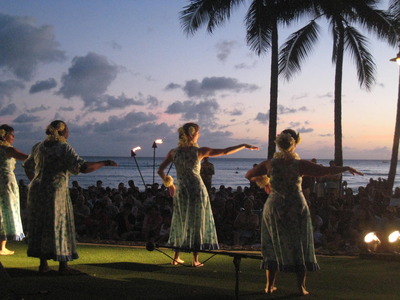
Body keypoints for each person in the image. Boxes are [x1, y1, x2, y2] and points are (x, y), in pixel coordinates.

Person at [245, 129, 363, 296]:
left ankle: (269, 286)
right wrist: (346, 168)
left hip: (275, 205)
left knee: (273, 242)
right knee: (299, 242)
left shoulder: (269, 164)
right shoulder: (299, 164)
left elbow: (248, 175)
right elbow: (324, 171)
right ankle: (300, 287)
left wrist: (265, 182)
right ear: (295, 143)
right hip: (295, 205)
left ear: (279, 144)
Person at [157, 122, 259, 267]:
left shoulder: (173, 152)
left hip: (182, 189)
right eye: (198, 133)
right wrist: (243, 145)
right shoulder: (199, 151)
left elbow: (160, 170)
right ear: (192, 135)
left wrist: (171, 185)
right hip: (196, 188)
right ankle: (195, 259)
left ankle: (176, 257)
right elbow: (225, 151)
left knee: (180, 220)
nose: (199, 135)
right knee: (197, 221)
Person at [23, 120, 117, 274]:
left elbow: (27, 166)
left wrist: (36, 181)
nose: (69, 133)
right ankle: (63, 265)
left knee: (41, 223)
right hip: (55, 190)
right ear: (62, 132)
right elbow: (83, 168)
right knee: (59, 224)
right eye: (68, 130)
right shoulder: (64, 147)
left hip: (37, 189)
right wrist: (104, 163)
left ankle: (43, 264)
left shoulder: (38, 146)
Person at [0, 125, 28, 255]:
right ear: (4, 135)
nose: (13, 137)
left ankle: (2, 245)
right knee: (6, 209)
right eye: (12, 134)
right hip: (6, 181)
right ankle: (2, 246)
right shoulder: (7, 149)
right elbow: (24, 157)